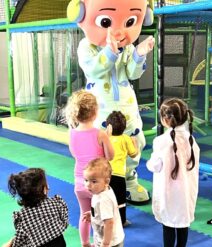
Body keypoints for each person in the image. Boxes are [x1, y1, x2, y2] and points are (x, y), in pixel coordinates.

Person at [67, 0, 155, 204]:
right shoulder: (86, 47)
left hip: (127, 107)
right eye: (106, 21)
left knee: (134, 143)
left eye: (130, 21)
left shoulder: (127, 47)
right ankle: (101, 183)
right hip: (100, 110)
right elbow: (94, 70)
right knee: (102, 150)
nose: (118, 31)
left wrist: (139, 54)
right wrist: (110, 51)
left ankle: (130, 181)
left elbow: (132, 73)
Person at [146, 98, 200, 247]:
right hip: (186, 190)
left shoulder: (161, 141)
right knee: (183, 223)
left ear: (166, 119)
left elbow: (155, 166)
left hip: (168, 191)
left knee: (168, 224)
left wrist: (149, 163)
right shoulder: (191, 139)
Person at [65, 90, 114, 247]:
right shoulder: (100, 134)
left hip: (80, 182)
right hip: (98, 183)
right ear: (95, 112)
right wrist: (108, 137)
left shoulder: (72, 133)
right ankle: (102, 243)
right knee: (102, 217)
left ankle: (85, 243)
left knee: (84, 214)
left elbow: (75, 154)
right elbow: (110, 156)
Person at [2, 168, 69, 247]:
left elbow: (20, 242)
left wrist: (11, 242)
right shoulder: (55, 203)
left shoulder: (22, 217)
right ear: (44, 189)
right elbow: (65, 222)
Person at [106, 111, 139, 227]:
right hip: (119, 175)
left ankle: (106, 219)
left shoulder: (106, 138)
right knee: (121, 200)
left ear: (108, 126)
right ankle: (122, 220)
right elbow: (134, 154)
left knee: (106, 198)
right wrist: (135, 143)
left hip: (106, 175)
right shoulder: (125, 139)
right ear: (124, 127)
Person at [82, 158, 124, 247]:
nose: (88, 185)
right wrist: (94, 214)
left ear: (106, 182)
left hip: (110, 242)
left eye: (94, 181)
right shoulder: (100, 190)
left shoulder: (104, 199)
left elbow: (109, 223)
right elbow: (105, 211)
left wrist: (105, 244)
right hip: (102, 237)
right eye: (86, 180)